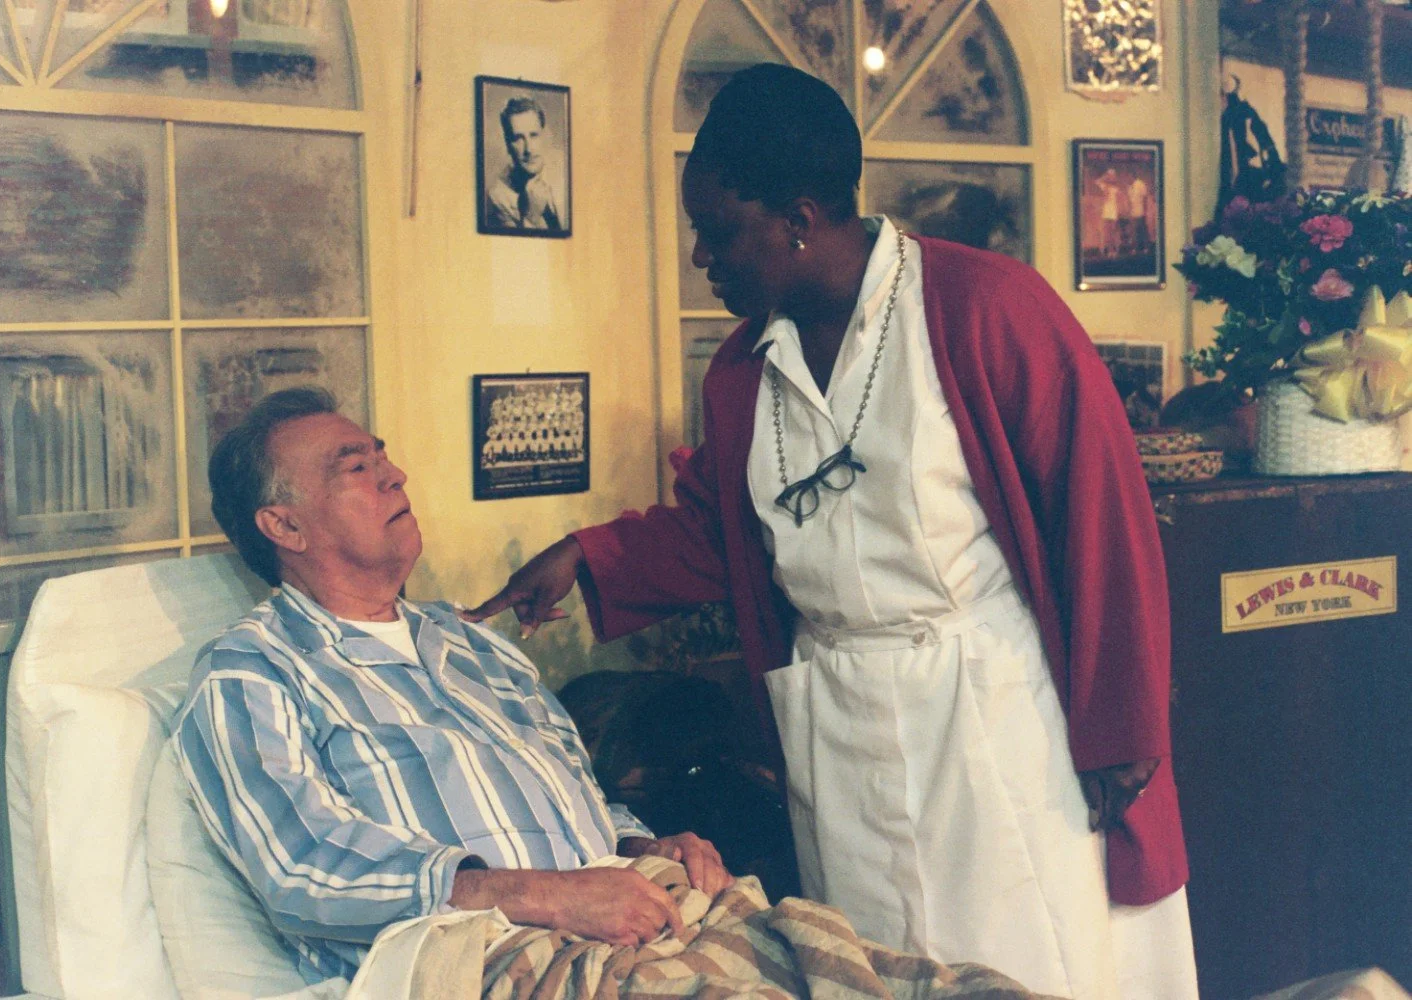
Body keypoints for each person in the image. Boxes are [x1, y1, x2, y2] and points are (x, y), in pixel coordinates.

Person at [467, 64, 1197, 1000]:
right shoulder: (743, 372)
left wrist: (1123, 729)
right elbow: (721, 532)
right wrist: (588, 556)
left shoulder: (984, 307)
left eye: (718, 229)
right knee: (873, 970)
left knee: (1030, 960)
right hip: (837, 724)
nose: (702, 256)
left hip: (991, 710)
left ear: (800, 217)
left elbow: (1101, 518)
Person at [172, 387, 730, 985]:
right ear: (284, 525)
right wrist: (550, 897)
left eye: (382, 459)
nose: (396, 476)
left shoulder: (474, 643)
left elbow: (581, 795)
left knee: (821, 950)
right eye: (358, 468)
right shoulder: (254, 671)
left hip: (640, 924)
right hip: (489, 965)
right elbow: (303, 871)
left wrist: (645, 847)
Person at [486, 95, 567, 231]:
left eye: (534, 135)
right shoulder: (498, 196)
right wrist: (531, 218)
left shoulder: (566, 167)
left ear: (544, 135)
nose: (528, 149)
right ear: (507, 144)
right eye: (518, 138)